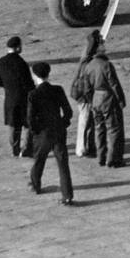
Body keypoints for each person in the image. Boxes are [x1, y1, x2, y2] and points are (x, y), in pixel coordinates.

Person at [26, 62, 74, 205]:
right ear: (48, 74)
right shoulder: (58, 90)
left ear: (35, 75)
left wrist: (36, 131)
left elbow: (30, 119)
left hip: (43, 133)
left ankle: (36, 185)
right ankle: (67, 195)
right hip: (58, 130)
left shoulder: (33, 94)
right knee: (63, 163)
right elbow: (68, 112)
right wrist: (63, 124)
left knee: (39, 160)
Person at [81, 31, 127, 167]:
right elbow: (114, 84)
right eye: (101, 43)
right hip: (108, 99)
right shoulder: (106, 65)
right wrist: (121, 99)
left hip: (96, 99)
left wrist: (91, 101)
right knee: (114, 130)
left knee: (99, 130)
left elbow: (86, 88)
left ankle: (101, 158)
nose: (104, 45)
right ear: (97, 48)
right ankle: (113, 159)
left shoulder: (89, 66)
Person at [0, 36, 35, 158]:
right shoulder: (21, 63)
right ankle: (27, 149)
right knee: (28, 124)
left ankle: (15, 149)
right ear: (18, 47)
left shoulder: (1, 62)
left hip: (10, 99)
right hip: (24, 99)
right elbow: (28, 83)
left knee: (13, 125)